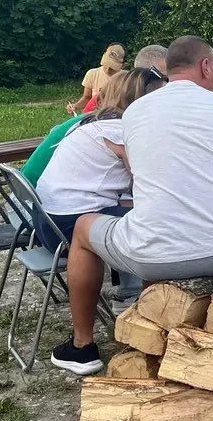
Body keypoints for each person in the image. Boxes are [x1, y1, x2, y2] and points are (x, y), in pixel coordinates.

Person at [50, 35, 213, 375]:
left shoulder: (134, 113)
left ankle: (82, 347)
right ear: (206, 66)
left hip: (153, 257)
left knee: (83, 229)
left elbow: (156, 179)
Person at [35, 68, 168, 316]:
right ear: (143, 102)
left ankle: (134, 293)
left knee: (135, 209)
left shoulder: (95, 123)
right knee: (160, 220)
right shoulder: (121, 132)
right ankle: (139, 300)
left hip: (45, 221)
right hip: (67, 229)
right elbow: (155, 185)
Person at [23, 44, 167, 187]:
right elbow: (143, 181)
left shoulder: (93, 119)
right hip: (37, 197)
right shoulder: (116, 128)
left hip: (28, 188)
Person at [67, 43, 125, 114]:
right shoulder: (92, 74)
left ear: (121, 65)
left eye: (112, 67)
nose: (108, 69)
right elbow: (87, 98)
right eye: (106, 64)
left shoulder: (126, 78)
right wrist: (75, 106)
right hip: (93, 117)